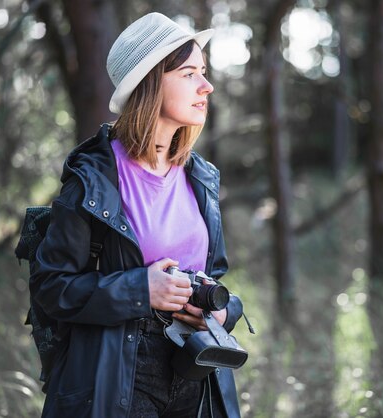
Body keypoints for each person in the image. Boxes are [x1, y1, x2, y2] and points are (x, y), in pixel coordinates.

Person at [30, 12, 244, 418]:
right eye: (188, 73)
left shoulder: (201, 177)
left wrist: (220, 310)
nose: (207, 85)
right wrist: (140, 289)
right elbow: (51, 286)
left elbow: (215, 277)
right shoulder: (93, 178)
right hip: (119, 376)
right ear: (149, 82)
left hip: (197, 369)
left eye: (204, 71)